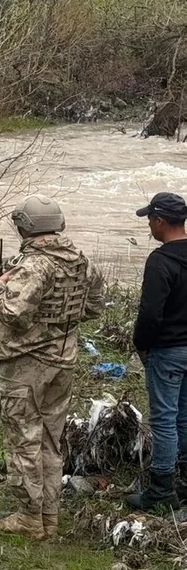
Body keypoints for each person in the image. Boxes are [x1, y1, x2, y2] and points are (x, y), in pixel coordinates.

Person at [0, 194, 104, 541]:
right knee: (52, 441)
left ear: (25, 227)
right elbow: (94, 306)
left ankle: (28, 518)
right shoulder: (80, 260)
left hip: (26, 365)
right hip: (63, 361)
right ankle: (49, 517)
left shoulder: (35, 264)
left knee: (23, 440)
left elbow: (14, 314)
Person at [125, 192, 187, 512]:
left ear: (160, 221)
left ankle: (161, 490)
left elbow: (150, 314)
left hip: (168, 351)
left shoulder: (160, 261)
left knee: (164, 419)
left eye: (150, 219)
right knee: (186, 416)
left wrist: (142, 345)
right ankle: (185, 484)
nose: (149, 224)